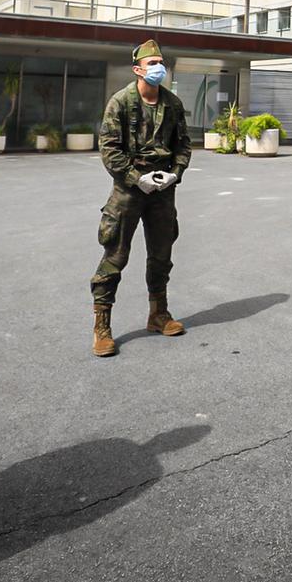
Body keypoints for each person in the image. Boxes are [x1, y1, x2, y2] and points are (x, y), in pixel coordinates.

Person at [90, 39, 191, 356]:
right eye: (153, 63)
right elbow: (109, 150)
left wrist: (175, 173)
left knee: (161, 255)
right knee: (115, 256)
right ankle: (102, 326)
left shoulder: (172, 104)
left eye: (162, 62)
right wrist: (137, 178)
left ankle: (158, 314)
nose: (160, 68)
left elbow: (183, 146)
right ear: (137, 69)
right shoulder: (121, 102)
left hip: (162, 190)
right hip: (128, 190)